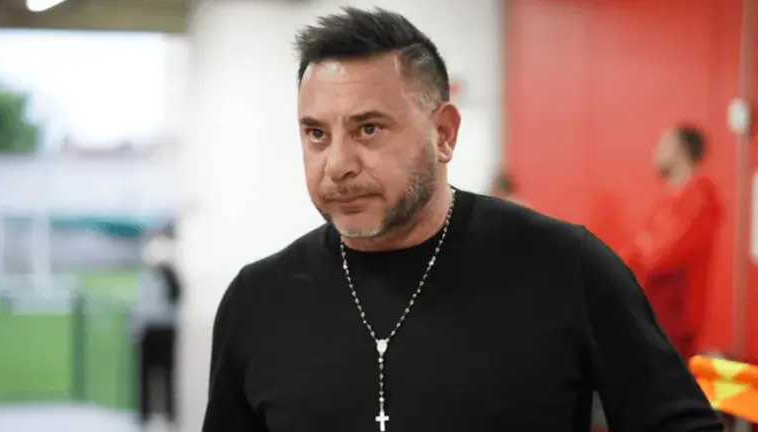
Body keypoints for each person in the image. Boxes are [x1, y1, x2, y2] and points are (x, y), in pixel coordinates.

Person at [202, 8, 720, 431]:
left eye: (368, 129)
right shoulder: (256, 301)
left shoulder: (567, 269)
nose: (337, 164)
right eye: (316, 134)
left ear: (444, 134)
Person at [622, 126, 721, 360]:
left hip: (675, 321)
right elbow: (636, 253)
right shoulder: (667, 200)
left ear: (679, 150)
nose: (655, 152)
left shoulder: (700, 199)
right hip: (653, 314)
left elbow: (660, 256)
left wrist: (645, 247)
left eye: (663, 144)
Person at [131, 224, 182, 430]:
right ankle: (158, 415)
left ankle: (161, 415)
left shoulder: (162, 277)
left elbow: (145, 307)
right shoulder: (166, 276)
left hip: (157, 330)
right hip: (161, 330)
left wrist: (135, 332)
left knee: (159, 376)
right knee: (158, 376)